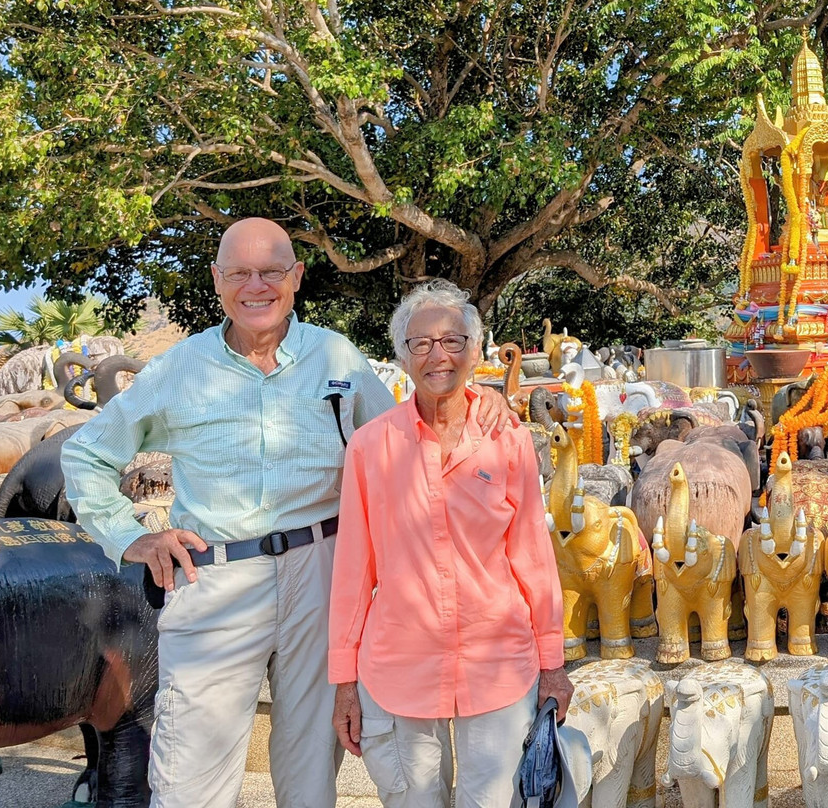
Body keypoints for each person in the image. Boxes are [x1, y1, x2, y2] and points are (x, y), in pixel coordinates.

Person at [60, 218, 512, 808]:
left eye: (272, 271)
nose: (257, 286)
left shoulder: (335, 356)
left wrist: (473, 397)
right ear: (217, 280)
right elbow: (87, 453)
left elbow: (405, 437)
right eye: (240, 273)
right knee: (189, 780)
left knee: (310, 776)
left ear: (296, 276)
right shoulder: (179, 369)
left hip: (323, 574)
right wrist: (132, 537)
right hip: (215, 578)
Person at [329, 279, 575, 808]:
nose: (437, 355)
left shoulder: (508, 440)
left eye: (452, 341)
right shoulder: (371, 447)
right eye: (421, 343)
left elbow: (533, 558)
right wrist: (344, 682)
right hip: (400, 666)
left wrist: (552, 664)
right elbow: (353, 571)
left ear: (476, 351)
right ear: (402, 357)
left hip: (497, 662)